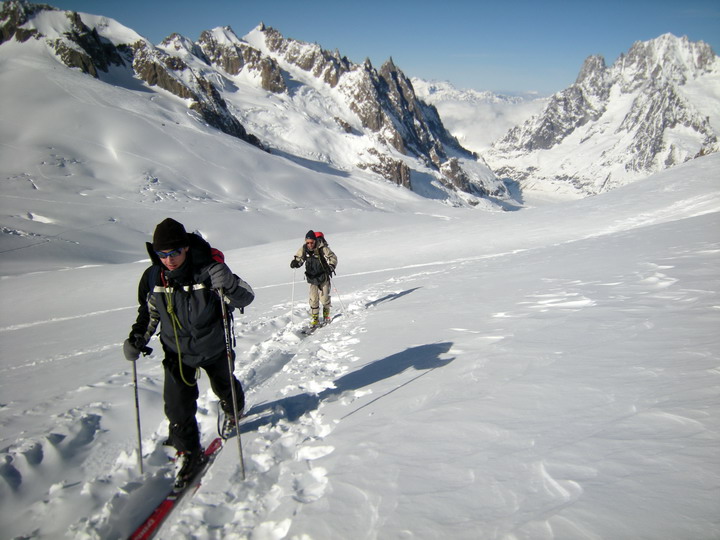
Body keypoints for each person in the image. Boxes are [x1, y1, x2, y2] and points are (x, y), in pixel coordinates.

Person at [123, 218, 254, 489]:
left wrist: (228, 282)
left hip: (214, 346)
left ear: (186, 248)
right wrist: (138, 338)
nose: (169, 260)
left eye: (174, 253)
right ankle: (189, 453)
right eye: (162, 254)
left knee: (224, 386)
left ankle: (234, 409)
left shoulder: (210, 271)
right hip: (177, 352)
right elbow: (150, 312)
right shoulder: (153, 277)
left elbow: (246, 297)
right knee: (177, 407)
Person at [290, 230, 338, 326]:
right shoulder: (304, 249)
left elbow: (332, 257)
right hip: (311, 277)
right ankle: (315, 318)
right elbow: (300, 258)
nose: (310, 244)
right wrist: (296, 262)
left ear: (315, 241)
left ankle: (326, 316)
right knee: (313, 299)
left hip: (323, 275)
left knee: (324, 299)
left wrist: (331, 266)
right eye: (308, 242)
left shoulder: (322, 248)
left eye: (311, 242)